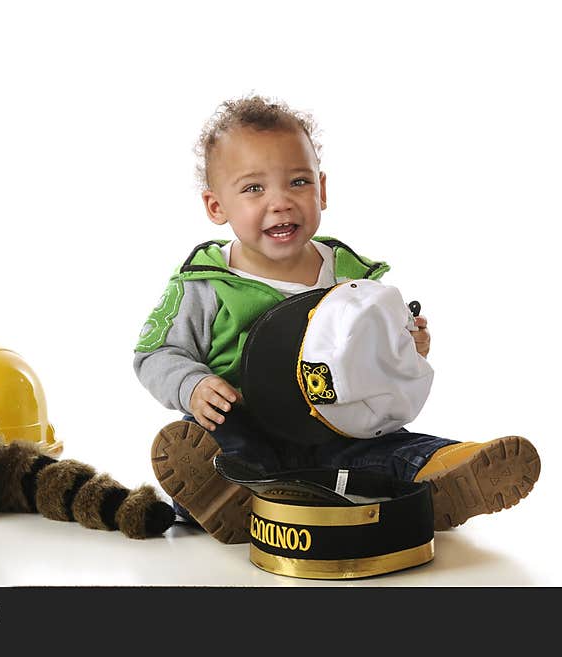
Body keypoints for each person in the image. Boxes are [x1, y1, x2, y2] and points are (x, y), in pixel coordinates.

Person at [133, 95, 541, 544]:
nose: (281, 202)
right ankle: (225, 495)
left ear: (322, 189)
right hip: (243, 422)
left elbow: (380, 349)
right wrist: (192, 385)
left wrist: (407, 347)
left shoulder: (351, 276)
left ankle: (444, 473)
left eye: (298, 181)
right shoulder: (206, 284)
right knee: (222, 446)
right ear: (216, 206)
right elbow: (155, 353)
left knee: (387, 446)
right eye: (253, 188)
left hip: (336, 423)